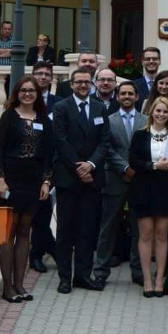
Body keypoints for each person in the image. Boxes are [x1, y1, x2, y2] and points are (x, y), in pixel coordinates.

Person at [0, 75, 53, 302]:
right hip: (10, 179)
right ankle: (8, 288)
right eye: (23, 90)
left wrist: (46, 182)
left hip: (33, 181)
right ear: (17, 93)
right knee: (8, 232)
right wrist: (0, 179)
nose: (27, 94)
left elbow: (49, 154)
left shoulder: (44, 119)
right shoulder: (9, 116)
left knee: (25, 231)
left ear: (38, 94)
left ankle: (20, 284)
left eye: (31, 91)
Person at [52, 68, 111, 294]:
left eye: (87, 82)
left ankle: (83, 275)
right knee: (65, 231)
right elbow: (60, 140)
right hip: (68, 178)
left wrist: (91, 165)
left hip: (92, 179)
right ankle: (64, 277)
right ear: (72, 84)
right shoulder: (61, 107)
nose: (83, 85)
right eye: (79, 82)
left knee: (87, 230)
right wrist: (79, 167)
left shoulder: (99, 107)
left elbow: (104, 141)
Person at [93, 81, 146, 288]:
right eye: (123, 93)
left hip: (139, 181)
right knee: (108, 228)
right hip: (115, 179)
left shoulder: (146, 120)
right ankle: (100, 271)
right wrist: (124, 168)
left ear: (137, 97)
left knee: (138, 229)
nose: (126, 97)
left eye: (130, 93)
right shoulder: (108, 119)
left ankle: (138, 271)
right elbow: (105, 147)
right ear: (117, 97)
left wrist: (137, 169)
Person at [129, 96, 168, 297]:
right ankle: (147, 279)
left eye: (165, 111)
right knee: (145, 235)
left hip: (165, 189)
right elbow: (133, 161)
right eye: (158, 111)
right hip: (143, 189)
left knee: (161, 235)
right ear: (151, 112)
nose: (161, 114)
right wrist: (153, 166)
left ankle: (159, 278)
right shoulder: (140, 135)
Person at [28, 61, 60, 273]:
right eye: (39, 73)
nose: (43, 77)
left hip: (51, 165)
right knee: (33, 212)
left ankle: (39, 253)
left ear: (51, 78)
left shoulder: (59, 103)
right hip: (28, 166)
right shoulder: (25, 99)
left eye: (47, 74)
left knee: (44, 211)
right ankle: (48, 251)